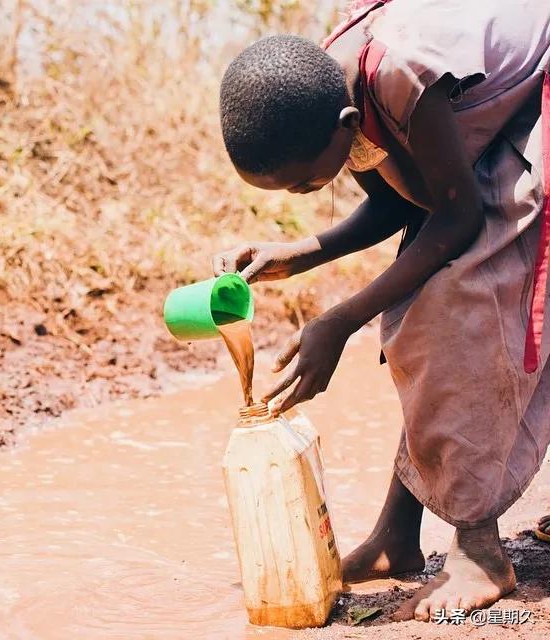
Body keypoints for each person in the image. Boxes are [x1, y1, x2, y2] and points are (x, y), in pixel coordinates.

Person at [213, 0, 550, 623]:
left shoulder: (400, 76)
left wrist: (341, 321)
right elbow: (402, 203)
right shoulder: (332, 91)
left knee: (463, 308)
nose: (303, 196)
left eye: (303, 184)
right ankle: (397, 536)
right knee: (417, 322)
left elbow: (458, 215)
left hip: (538, 94)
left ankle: (479, 548)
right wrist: (299, 254)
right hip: (467, 143)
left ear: (345, 125)